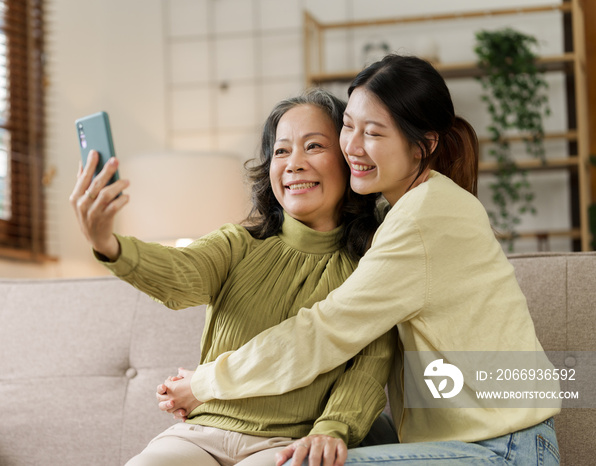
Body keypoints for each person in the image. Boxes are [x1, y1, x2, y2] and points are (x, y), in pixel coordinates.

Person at [157, 55, 561, 466]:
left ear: (424, 144)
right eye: (348, 125)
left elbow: (323, 332)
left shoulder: (423, 219)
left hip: (506, 450)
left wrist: (206, 383)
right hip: (458, 439)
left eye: (373, 133)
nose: (351, 146)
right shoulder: (405, 212)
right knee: (317, 434)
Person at [69, 88, 396, 466]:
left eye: (314, 146)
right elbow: (180, 273)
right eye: (281, 151)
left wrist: (333, 428)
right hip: (200, 435)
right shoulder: (239, 244)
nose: (294, 163)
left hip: (287, 442)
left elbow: (369, 369)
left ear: (347, 161)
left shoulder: (369, 268)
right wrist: (108, 244)